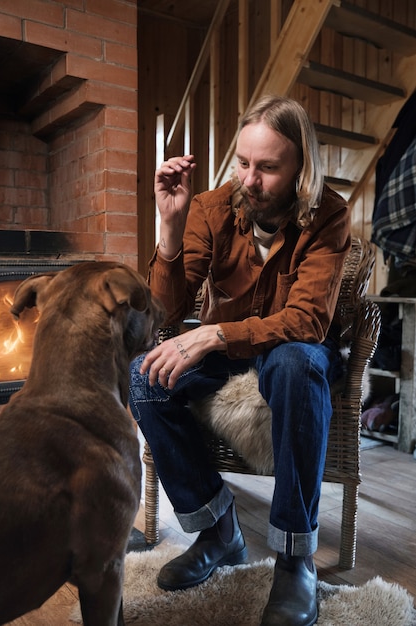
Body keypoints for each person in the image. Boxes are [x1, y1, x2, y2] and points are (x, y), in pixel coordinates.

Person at [129, 94, 351, 626]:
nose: (249, 181)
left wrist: (211, 336)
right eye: (243, 163)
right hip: (232, 349)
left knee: (294, 361)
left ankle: (295, 559)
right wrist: (170, 230)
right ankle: (218, 529)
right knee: (145, 379)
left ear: (301, 168)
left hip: (300, 352)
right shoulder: (214, 207)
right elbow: (167, 310)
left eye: (268, 168)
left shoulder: (329, 214)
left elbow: (306, 323)